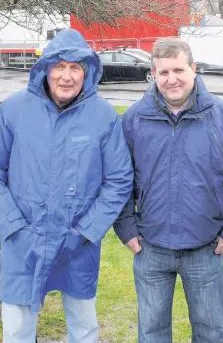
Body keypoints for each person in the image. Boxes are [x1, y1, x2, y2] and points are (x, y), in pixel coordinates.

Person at [0, 29, 134, 342]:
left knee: (84, 325)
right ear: (44, 69)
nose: (67, 76)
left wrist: (85, 232)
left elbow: (119, 179)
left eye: (76, 68)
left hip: (77, 243)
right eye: (59, 66)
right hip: (22, 240)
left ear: (87, 73)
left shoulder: (103, 117)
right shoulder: (12, 110)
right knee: (18, 327)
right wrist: (15, 228)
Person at [113, 37, 223, 343]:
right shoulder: (135, 118)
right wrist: (125, 227)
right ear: (153, 74)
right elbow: (119, 177)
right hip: (150, 246)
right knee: (151, 332)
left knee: (211, 332)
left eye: (178, 70)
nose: (171, 79)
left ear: (194, 69)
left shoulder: (222, 116)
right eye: (163, 73)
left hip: (205, 246)